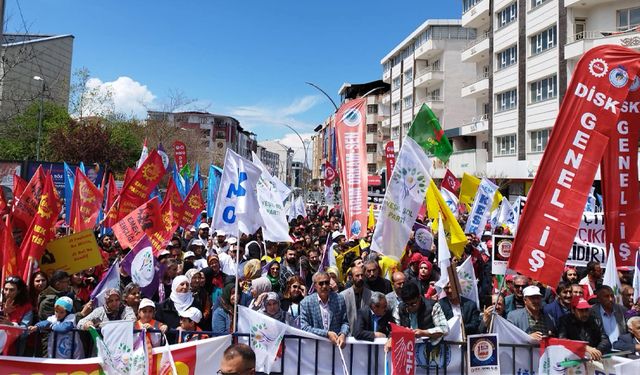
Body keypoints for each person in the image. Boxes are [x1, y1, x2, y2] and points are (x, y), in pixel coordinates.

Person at [300, 271, 349, 348]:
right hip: (315, 348)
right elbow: (304, 327)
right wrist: (326, 334)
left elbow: (345, 322)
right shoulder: (306, 303)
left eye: (326, 282)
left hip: (335, 348)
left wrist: (343, 334)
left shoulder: (339, 299)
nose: (324, 286)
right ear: (315, 286)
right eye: (321, 283)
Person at [558, 296, 611, 360]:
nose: (584, 313)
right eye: (581, 310)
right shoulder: (565, 321)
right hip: (573, 360)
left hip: (593, 359)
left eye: (586, 310)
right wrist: (584, 348)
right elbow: (563, 342)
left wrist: (596, 352)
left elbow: (605, 340)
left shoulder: (595, 321)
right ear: (573, 310)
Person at [156, 275, 201, 343]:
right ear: (175, 286)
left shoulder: (195, 303)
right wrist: (166, 327)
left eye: (187, 284)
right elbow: (158, 324)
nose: (185, 287)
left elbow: (199, 322)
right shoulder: (164, 306)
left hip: (190, 342)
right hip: (169, 343)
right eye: (182, 284)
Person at [340, 265, 372, 330]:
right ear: (351, 278)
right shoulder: (343, 296)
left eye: (362, 275)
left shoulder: (371, 295)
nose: (360, 278)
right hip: (349, 335)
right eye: (357, 276)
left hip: (366, 334)